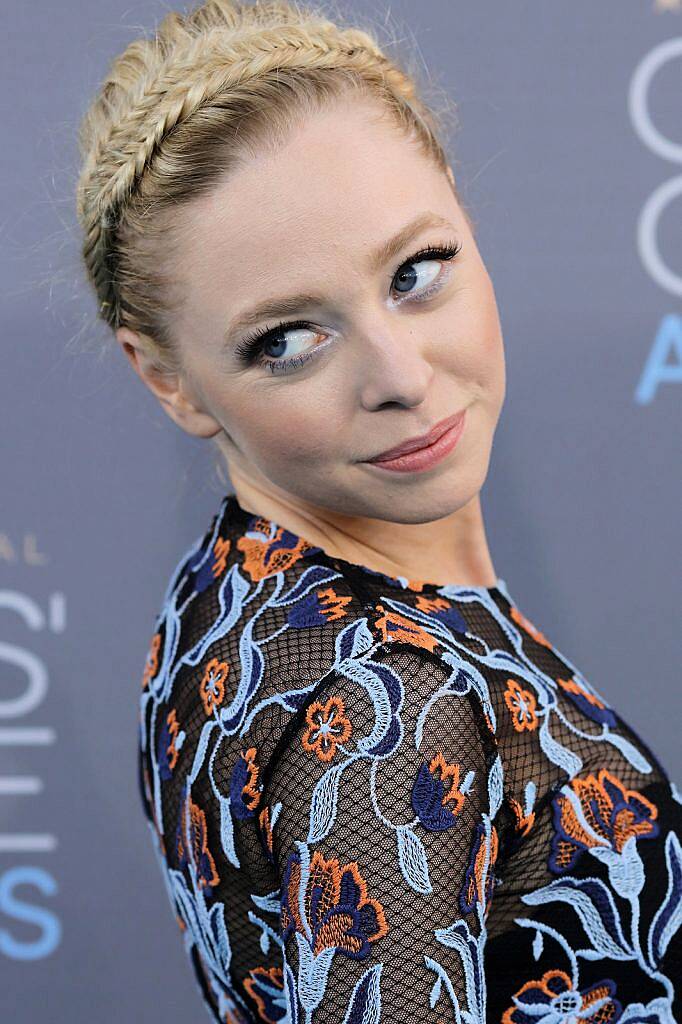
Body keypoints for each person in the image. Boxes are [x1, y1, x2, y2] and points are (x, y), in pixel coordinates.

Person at [75, 1, 682, 1020]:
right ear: (169, 381)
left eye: (416, 272)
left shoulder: (228, 588)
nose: (400, 375)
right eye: (287, 339)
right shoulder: (390, 705)